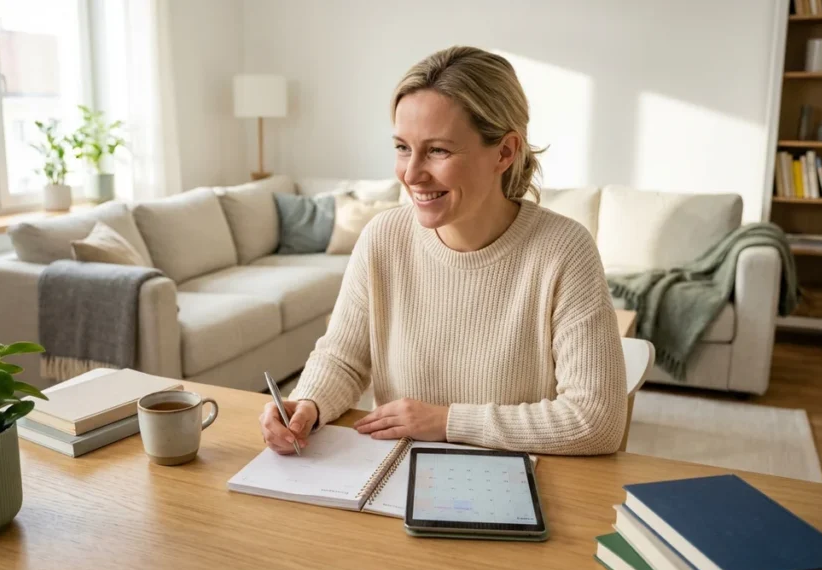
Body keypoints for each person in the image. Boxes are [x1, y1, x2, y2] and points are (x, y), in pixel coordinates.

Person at [259, 46, 627, 456]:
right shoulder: (383, 238)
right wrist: (307, 403)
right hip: (395, 477)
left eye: (438, 150)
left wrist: (447, 422)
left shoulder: (565, 251)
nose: (411, 174)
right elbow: (343, 358)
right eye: (402, 147)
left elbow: (596, 420)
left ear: (505, 152)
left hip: (513, 488)